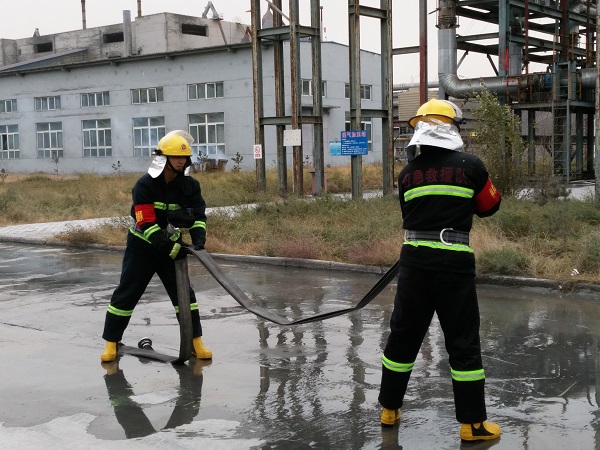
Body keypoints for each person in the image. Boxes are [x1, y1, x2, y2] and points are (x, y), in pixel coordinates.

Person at [378, 99, 502, 442]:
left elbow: (409, 216)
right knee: (462, 341)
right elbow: (490, 206)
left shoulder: (407, 174)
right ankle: (473, 426)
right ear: (452, 129)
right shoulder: (471, 166)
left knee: (403, 336)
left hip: (413, 263)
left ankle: (389, 409)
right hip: (453, 265)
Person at [100, 130, 212, 362]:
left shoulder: (190, 186)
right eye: (175, 156)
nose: (181, 161)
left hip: (171, 246)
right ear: (163, 158)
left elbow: (198, 216)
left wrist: (199, 240)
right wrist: (168, 247)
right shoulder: (145, 185)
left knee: (185, 297)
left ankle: (196, 343)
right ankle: (111, 343)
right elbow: (146, 222)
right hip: (142, 247)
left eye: (184, 157)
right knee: (127, 294)